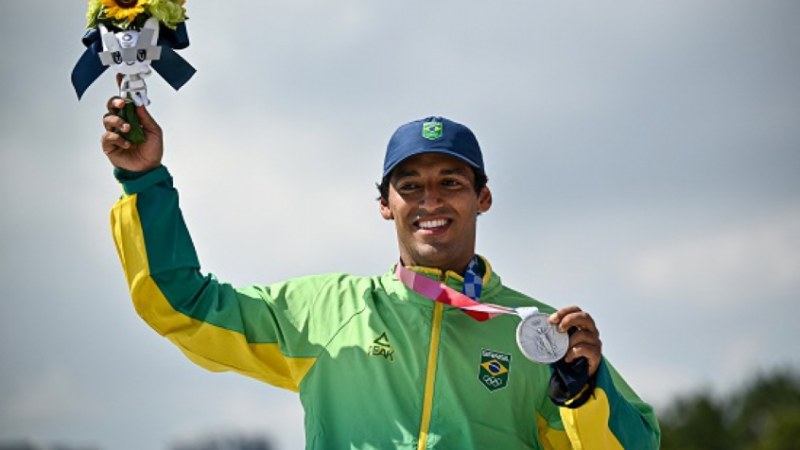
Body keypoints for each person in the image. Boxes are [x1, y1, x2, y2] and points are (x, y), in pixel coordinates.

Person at [101, 97, 661, 450]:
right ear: (385, 204)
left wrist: (583, 392)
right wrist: (144, 183)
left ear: (483, 198)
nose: (430, 200)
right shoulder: (324, 312)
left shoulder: (540, 336)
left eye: (451, 182)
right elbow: (184, 306)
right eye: (410, 186)